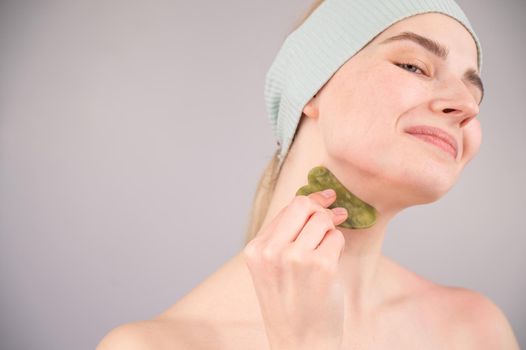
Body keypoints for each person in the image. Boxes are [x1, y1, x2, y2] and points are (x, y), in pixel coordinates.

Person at [97, 0, 521, 349]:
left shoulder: (476, 330)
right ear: (312, 87)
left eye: (473, 91)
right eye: (414, 66)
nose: (467, 106)